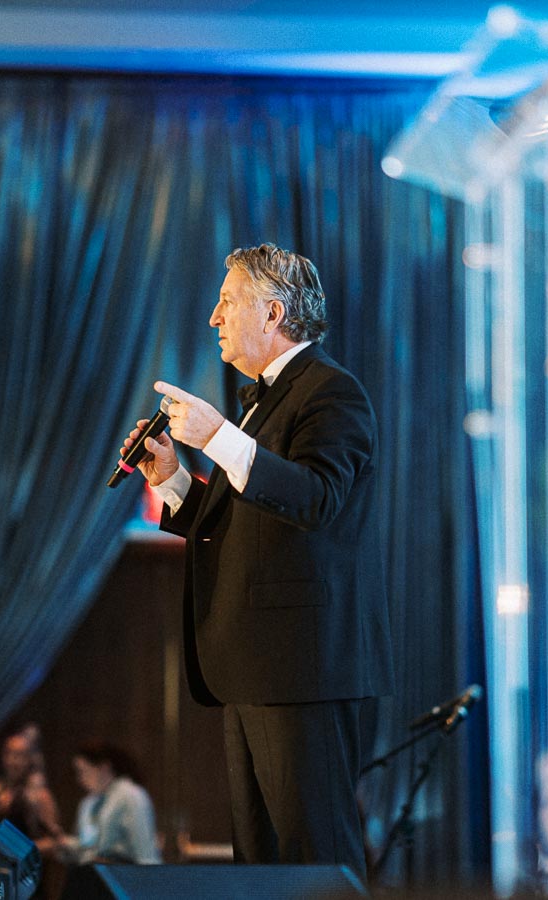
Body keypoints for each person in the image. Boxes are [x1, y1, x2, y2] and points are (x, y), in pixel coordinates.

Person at [123, 243, 393, 877]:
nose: (214, 317)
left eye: (227, 302)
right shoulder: (262, 400)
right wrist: (171, 478)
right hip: (253, 665)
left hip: (302, 667)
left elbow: (317, 499)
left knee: (315, 861)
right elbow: (239, 523)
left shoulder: (332, 393)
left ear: (273, 313)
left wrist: (217, 434)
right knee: (261, 865)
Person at [0, 727, 63, 851]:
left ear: (29, 759)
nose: (13, 761)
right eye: (9, 753)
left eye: (20, 755)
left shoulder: (39, 796)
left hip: (22, 865)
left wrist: (18, 850)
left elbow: (55, 841)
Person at [69, 741, 160, 865]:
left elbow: (145, 853)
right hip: (96, 874)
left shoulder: (130, 795)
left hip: (124, 876)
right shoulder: (90, 802)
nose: (80, 780)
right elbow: (90, 846)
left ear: (104, 768)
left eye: (83, 771)